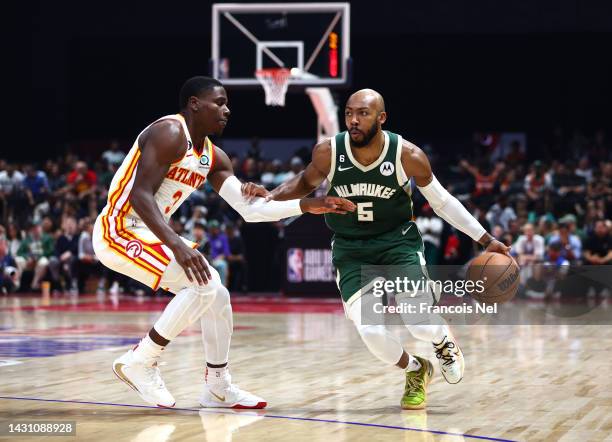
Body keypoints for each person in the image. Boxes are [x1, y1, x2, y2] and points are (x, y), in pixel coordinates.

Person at [93, 76, 354, 409]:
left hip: (148, 231)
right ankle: (140, 361)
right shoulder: (169, 133)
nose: (226, 110)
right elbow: (140, 196)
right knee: (206, 282)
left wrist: (308, 205)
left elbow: (250, 211)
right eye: (219, 102)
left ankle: (218, 386)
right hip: (119, 230)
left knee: (217, 295)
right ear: (194, 104)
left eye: (227, 103)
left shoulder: (214, 158)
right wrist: (177, 244)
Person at [243, 89, 510, 410]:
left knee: (419, 323)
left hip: (397, 242)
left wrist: (484, 239)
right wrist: (270, 195)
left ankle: (442, 341)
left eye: (363, 114)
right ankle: (417, 369)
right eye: (349, 114)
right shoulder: (329, 152)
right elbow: (303, 183)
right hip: (351, 247)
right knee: (370, 332)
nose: (354, 120)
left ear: (381, 118)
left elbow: (442, 202)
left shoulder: (407, 155)